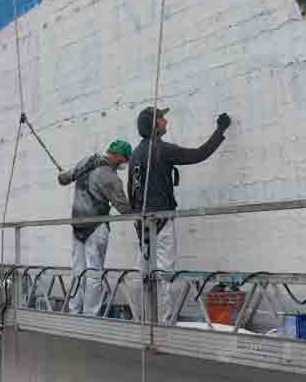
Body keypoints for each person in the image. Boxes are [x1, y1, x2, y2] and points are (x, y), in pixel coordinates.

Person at [128, 107, 232, 322]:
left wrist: (137, 219)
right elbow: (198, 154)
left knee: (145, 271)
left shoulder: (136, 154)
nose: (166, 121)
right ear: (154, 124)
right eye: (162, 118)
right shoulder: (160, 149)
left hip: (142, 221)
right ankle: (162, 322)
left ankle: (145, 319)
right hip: (162, 219)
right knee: (164, 272)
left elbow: (131, 190)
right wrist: (220, 130)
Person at [58, 139, 133, 315]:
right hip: (96, 228)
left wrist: (62, 174)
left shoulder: (87, 162)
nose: (123, 164)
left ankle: (74, 311)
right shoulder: (110, 177)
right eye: (124, 159)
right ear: (118, 156)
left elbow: (64, 179)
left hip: (77, 226)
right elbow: (124, 208)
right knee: (94, 273)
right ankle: (91, 315)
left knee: (78, 271)